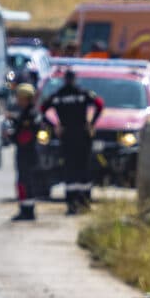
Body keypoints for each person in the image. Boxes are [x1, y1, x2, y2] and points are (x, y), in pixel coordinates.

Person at [41, 68, 104, 215]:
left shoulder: (58, 96)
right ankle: (84, 202)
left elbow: (41, 110)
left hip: (67, 136)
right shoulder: (82, 94)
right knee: (83, 169)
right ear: (74, 79)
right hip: (82, 135)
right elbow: (99, 104)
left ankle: (71, 204)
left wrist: (54, 126)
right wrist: (92, 123)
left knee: (70, 170)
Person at [7, 83, 43, 221]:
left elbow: (25, 136)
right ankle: (25, 209)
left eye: (19, 97)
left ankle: (27, 212)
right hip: (26, 153)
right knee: (23, 182)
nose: (17, 100)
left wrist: (11, 136)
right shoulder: (26, 113)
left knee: (25, 182)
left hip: (27, 153)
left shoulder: (31, 114)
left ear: (26, 98)